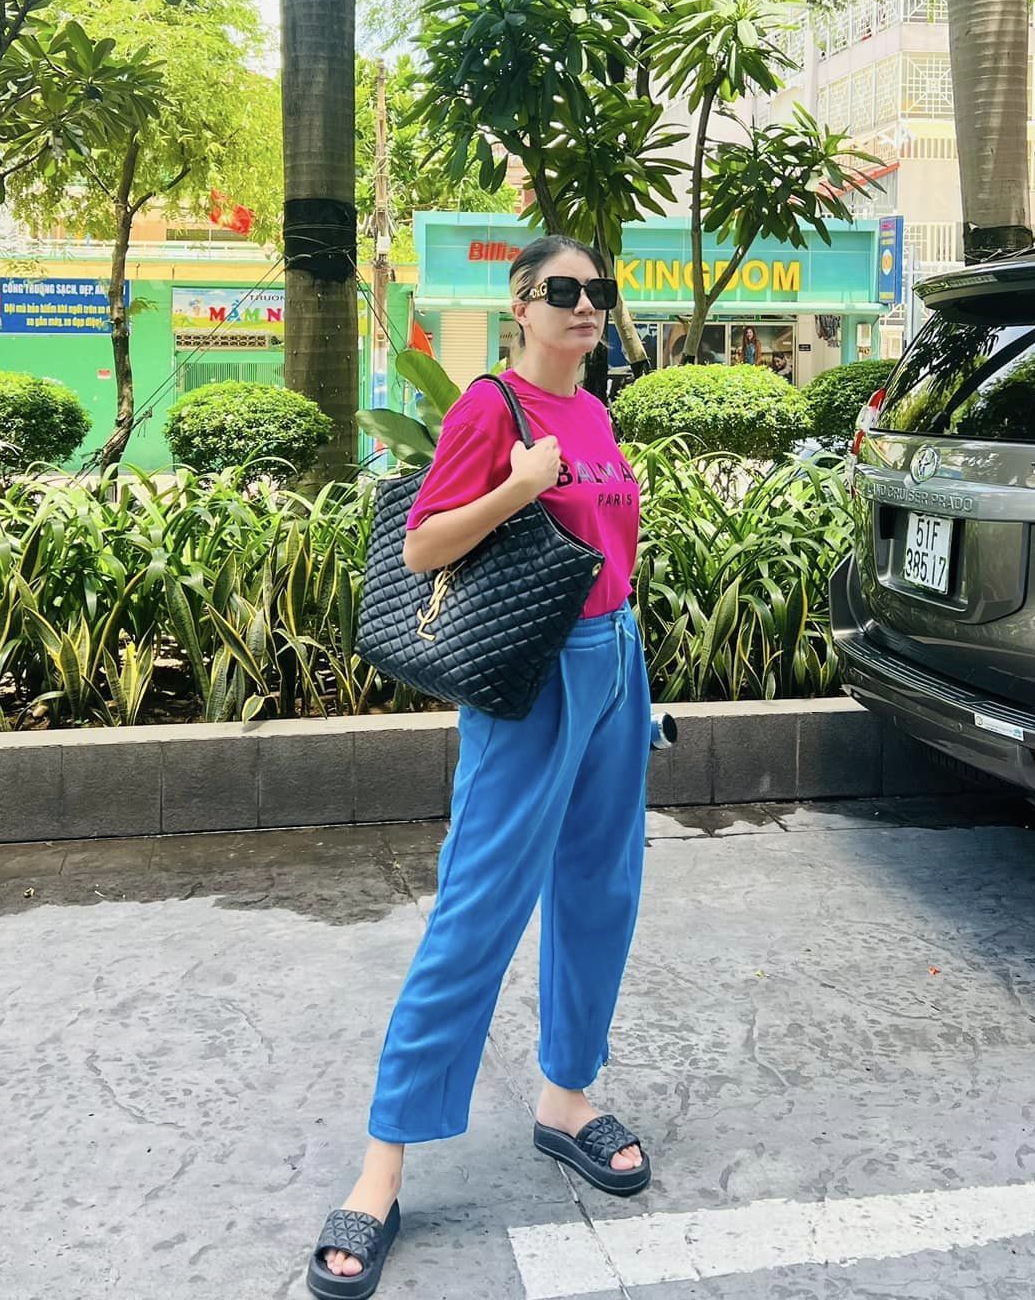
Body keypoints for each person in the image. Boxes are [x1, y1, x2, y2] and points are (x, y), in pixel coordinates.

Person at [306, 235, 653, 1297]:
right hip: (530, 681)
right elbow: (422, 547)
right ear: (520, 307)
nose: (586, 305)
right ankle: (381, 1169)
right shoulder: (489, 408)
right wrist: (519, 486)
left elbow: (609, 550)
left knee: (601, 891)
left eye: (599, 290)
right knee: (477, 909)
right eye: (563, 291)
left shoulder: (594, 410)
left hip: (614, 665)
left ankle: (566, 1100)